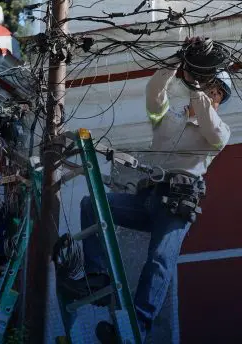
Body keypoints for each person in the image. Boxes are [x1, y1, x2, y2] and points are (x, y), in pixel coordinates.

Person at [61, 38, 232, 343]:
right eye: (210, 88)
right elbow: (154, 92)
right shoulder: (166, 119)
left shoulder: (218, 131)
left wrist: (196, 84)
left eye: (215, 91)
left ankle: (137, 325)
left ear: (219, 97)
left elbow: (207, 117)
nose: (210, 94)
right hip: (148, 199)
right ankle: (97, 275)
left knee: (159, 261)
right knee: (93, 204)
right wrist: (176, 63)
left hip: (177, 205)